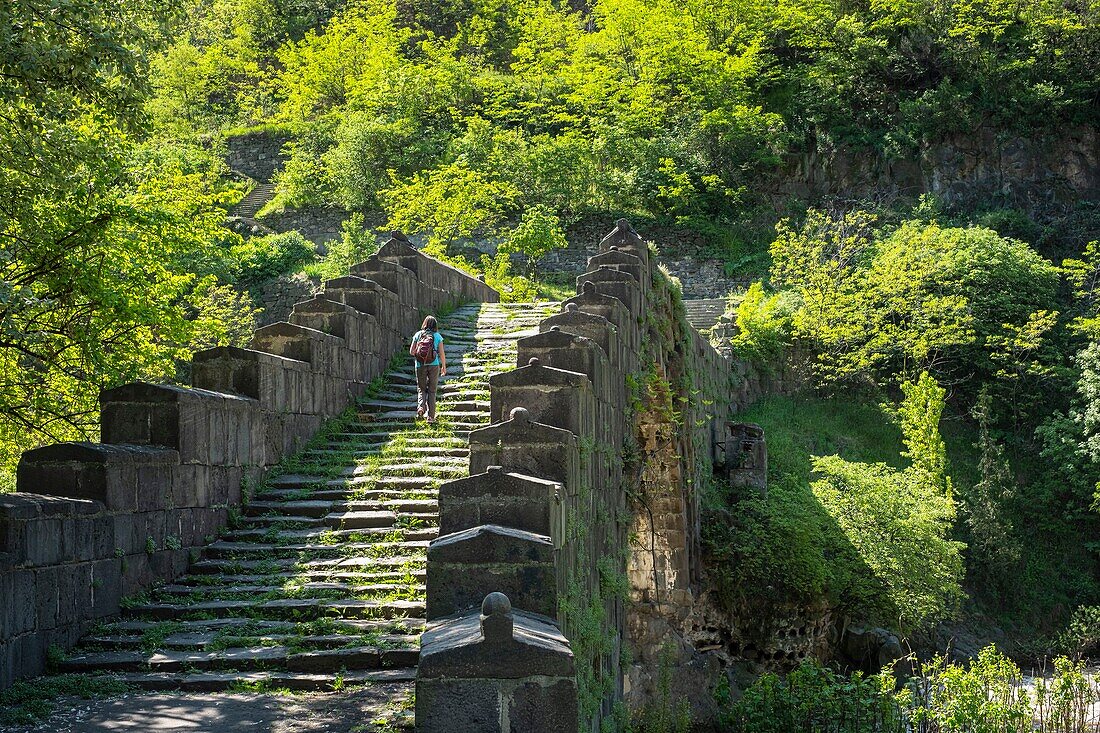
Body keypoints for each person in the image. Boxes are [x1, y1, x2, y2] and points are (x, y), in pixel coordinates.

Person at [409, 315, 447, 423]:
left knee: (421, 389)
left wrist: (420, 353)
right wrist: (444, 366)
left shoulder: (418, 335)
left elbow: (411, 352)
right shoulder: (438, 336)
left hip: (420, 365)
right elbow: (441, 353)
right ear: (435, 325)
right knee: (432, 390)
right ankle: (430, 417)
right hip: (434, 365)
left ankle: (421, 407)